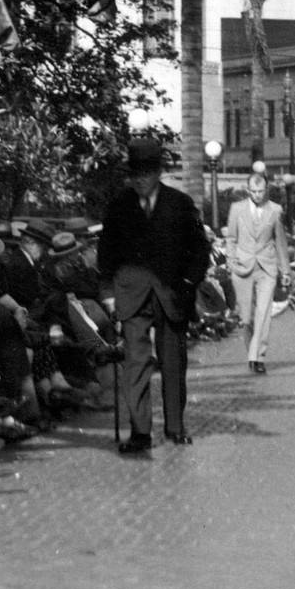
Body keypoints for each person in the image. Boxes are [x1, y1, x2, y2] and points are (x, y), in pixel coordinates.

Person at [98, 135, 210, 454]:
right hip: (131, 295)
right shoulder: (119, 206)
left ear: (159, 172)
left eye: (147, 173)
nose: (141, 180)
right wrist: (108, 294)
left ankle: (175, 426)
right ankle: (140, 432)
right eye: (136, 174)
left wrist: (189, 282)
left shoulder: (180, 204)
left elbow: (200, 249)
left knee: (173, 362)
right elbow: (106, 253)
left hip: (172, 294)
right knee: (135, 363)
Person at [222, 165, 291, 372]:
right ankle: (252, 350)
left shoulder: (275, 210)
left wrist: (285, 270)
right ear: (248, 190)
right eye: (254, 191)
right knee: (246, 318)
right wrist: (231, 260)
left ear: (266, 189)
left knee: (263, 313)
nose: (258, 195)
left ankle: (257, 357)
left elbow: (280, 242)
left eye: (261, 191)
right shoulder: (237, 209)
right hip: (242, 267)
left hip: (267, 267)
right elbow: (231, 238)